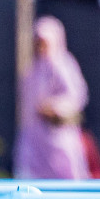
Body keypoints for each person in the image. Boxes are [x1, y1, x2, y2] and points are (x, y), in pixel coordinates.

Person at [14, 16, 91, 182]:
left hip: (58, 142)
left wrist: (54, 107)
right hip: (34, 143)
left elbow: (76, 96)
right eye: (38, 42)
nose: (41, 47)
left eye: (44, 42)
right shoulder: (32, 70)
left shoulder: (63, 65)